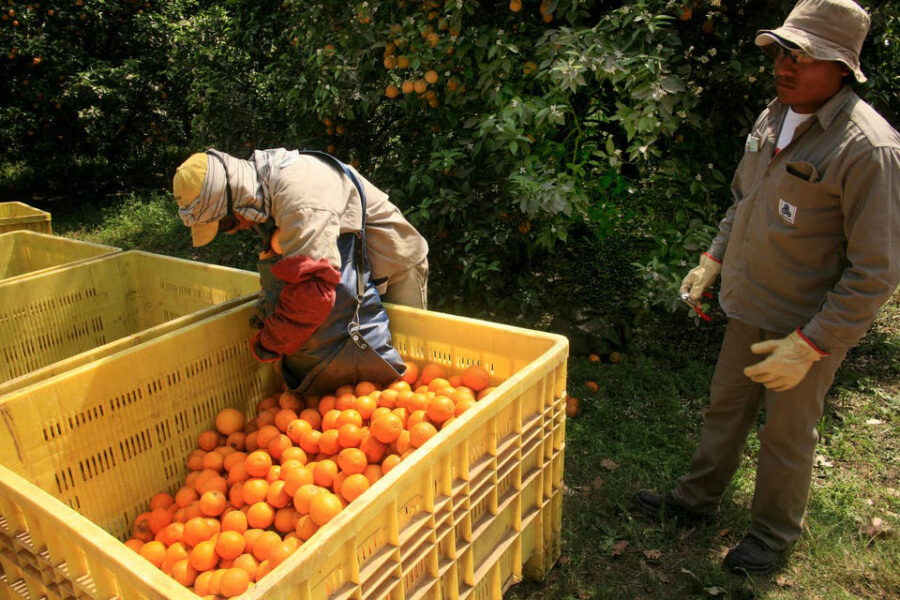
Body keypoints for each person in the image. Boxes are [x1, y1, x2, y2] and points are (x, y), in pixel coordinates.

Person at [634, 0, 900, 576]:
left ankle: (772, 535)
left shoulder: (868, 148)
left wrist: (811, 344)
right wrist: (713, 258)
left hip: (806, 323)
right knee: (725, 406)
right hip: (750, 300)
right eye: (782, 52)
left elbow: (876, 270)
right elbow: (745, 200)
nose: (785, 66)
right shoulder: (773, 116)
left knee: (786, 432)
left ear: (843, 68)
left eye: (803, 57)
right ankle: (696, 498)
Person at [172, 148, 429, 393]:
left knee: (409, 370)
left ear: (235, 196)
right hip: (355, 272)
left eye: (226, 223)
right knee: (377, 373)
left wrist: (269, 343)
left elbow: (314, 294)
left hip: (394, 265)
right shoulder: (260, 188)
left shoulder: (300, 198)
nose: (232, 231)